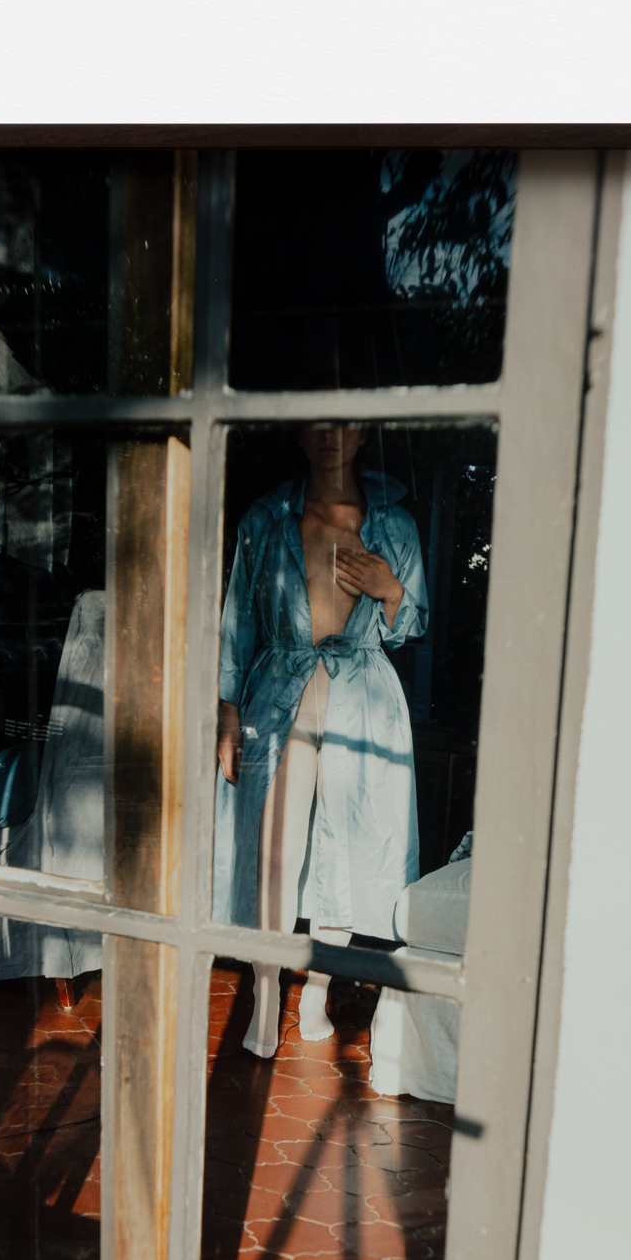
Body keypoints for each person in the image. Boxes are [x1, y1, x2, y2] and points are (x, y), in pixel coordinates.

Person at [213, 423, 429, 1057]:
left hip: (362, 696)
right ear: (300, 434)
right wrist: (228, 713)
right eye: (318, 422)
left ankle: (316, 992)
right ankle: (265, 993)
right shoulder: (266, 518)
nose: (332, 435)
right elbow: (237, 620)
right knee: (275, 847)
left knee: (346, 846)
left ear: (363, 435)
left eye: (346, 423)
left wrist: (391, 591)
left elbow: (411, 624)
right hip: (281, 686)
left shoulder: (394, 524)